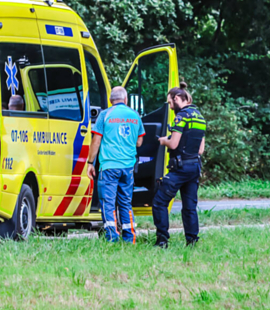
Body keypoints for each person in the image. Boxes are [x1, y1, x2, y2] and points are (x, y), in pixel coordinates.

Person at [87, 86, 144, 243]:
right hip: (128, 167)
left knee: (108, 203)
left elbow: (96, 141)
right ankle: (129, 237)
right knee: (126, 203)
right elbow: (139, 142)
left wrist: (90, 162)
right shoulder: (135, 115)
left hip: (109, 167)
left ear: (111, 101)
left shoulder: (105, 115)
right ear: (126, 100)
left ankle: (112, 238)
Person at [151, 84, 206, 248]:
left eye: (169, 103)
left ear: (176, 99)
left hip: (179, 168)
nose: (170, 106)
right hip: (194, 167)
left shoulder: (181, 117)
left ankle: (162, 240)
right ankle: (192, 241)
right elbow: (200, 150)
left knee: (159, 202)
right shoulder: (199, 117)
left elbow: (173, 144)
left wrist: (163, 140)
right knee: (189, 207)